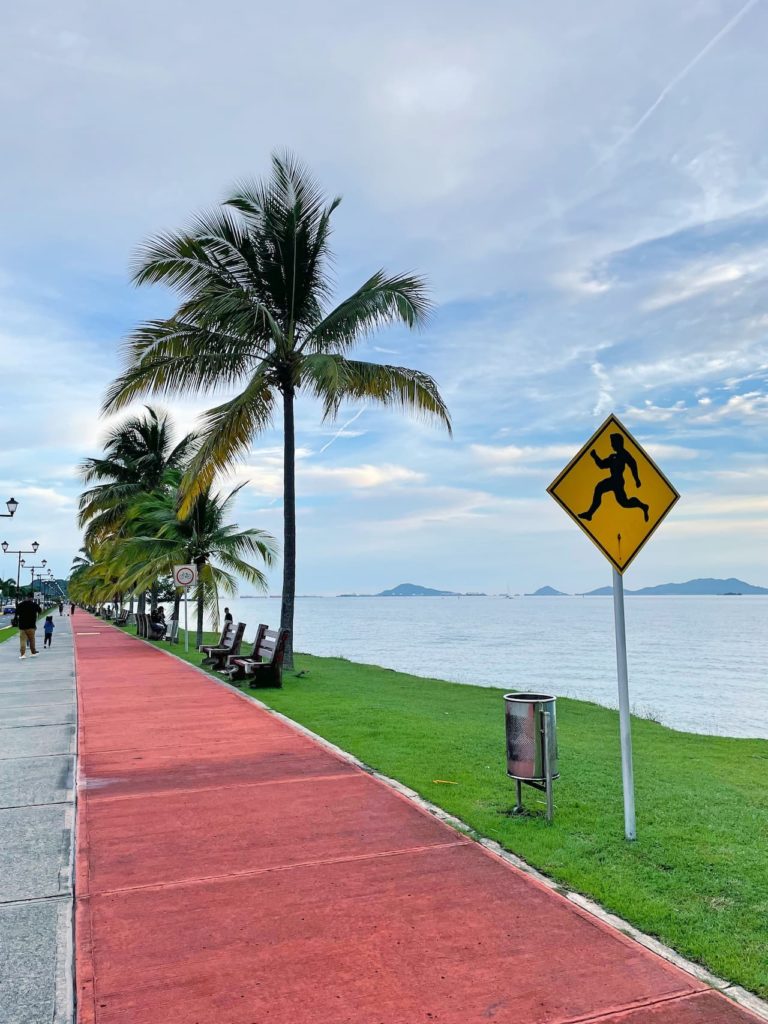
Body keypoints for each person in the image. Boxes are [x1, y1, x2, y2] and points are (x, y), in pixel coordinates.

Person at [578, 433, 649, 524]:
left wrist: (637, 479)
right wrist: (595, 456)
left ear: (618, 443)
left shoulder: (624, 454)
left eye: (613, 443)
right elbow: (602, 465)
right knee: (599, 488)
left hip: (618, 482)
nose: (611, 445)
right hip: (613, 480)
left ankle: (643, 506)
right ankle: (589, 514)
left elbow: (633, 464)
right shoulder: (613, 457)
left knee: (624, 503)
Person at [16, 595, 42, 659]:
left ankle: (22, 654)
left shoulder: (20, 604)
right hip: (31, 626)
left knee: (22, 641)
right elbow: (40, 611)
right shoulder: (34, 604)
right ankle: (33, 652)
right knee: (32, 640)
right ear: (32, 598)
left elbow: (16, 613)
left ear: (26, 597)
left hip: (22, 626)